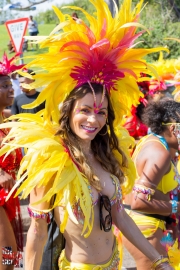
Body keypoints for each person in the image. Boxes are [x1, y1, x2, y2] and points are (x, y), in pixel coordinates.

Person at [0, 0, 172, 270]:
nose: (94, 119)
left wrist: (158, 259)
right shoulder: (52, 160)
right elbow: (37, 231)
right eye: (86, 110)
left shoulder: (106, 153)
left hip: (114, 262)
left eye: (102, 112)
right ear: (68, 111)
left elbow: (120, 217)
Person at [123, 99, 180, 269]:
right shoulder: (159, 153)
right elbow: (138, 201)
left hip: (148, 226)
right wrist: (175, 207)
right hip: (145, 229)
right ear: (173, 128)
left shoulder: (151, 141)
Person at [0, 53, 23, 269]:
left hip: (9, 195)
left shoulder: (7, 119)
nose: (11, 89)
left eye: (10, 84)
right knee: (8, 252)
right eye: (5, 85)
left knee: (6, 253)